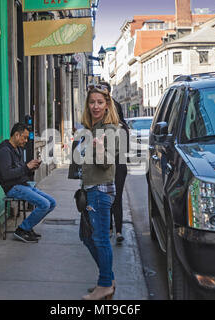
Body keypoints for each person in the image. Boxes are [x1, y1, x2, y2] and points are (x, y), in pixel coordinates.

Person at [79, 84, 119, 300]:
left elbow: (107, 164)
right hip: (90, 189)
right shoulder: (92, 128)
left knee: (100, 238)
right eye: (92, 102)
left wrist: (100, 149)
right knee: (86, 237)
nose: (95, 106)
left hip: (100, 190)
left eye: (100, 102)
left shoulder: (110, 129)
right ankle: (108, 279)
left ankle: (105, 285)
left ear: (107, 105)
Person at [0, 123, 56, 243]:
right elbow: (7, 175)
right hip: (13, 187)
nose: (26, 141)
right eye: (24, 137)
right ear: (17, 135)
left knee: (52, 202)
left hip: (23, 185)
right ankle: (22, 230)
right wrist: (26, 167)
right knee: (44, 204)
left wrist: (30, 168)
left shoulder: (16, 149)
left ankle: (27, 228)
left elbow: (20, 171)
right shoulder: (4, 151)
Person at [99, 81, 129, 245]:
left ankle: (117, 230)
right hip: (106, 165)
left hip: (118, 165)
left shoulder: (122, 129)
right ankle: (111, 228)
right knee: (108, 197)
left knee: (116, 197)